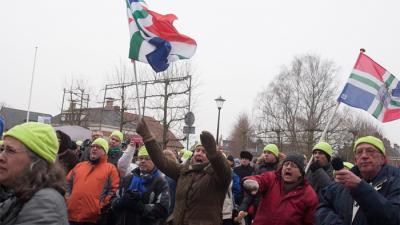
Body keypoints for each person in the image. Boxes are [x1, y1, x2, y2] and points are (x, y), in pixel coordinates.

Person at [136, 118, 231, 225]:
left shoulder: (217, 176)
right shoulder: (184, 171)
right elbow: (162, 161)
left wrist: (214, 153)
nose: (199, 153)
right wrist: (147, 137)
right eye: (197, 150)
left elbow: (224, 168)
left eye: (204, 152)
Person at [316, 136, 400, 225]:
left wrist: (360, 187)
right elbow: (322, 208)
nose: (364, 156)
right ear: (356, 160)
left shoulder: (395, 183)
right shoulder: (341, 183)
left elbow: (394, 218)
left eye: (370, 151)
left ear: (382, 159)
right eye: (359, 152)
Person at [0, 122, 68, 224]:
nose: (1, 157)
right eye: (2, 149)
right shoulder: (22, 194)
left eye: (10, 151)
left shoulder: (44, 203)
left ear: (35, 161)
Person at [241, 153, 318, 225]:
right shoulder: (272, 178)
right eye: (286, 164)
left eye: (293, 165)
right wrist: (251, 182)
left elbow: (310, 221)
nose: (288, 167)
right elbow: (260, 179)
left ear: (301, 172)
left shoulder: (309, 194)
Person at [66, 137, 120, 225]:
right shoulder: (80, 166)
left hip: (93, 218)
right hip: (72, 216)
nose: (94, 148)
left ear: (105, 152)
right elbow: (67, 183)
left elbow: (113, 190)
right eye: (93, 146)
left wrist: (100, 206)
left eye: (98, 147)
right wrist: (68, 200)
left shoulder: (110, 169)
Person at [111, 146, 169, 225]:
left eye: (147, 158)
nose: (143, 161)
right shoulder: (128, 178)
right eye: (141, 158)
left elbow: (163, 209)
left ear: (155, 161)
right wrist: (121, 201)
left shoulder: (160, 182)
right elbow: (113, 200)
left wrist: (141, 207)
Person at [238, 144, 281, 224]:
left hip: (275, 211)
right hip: (258, 209)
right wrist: (243, 208)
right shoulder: (258, 169)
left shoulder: (280, 171)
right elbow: (250, 191)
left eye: (269, 152)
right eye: (264, 152)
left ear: (275, 155)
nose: (266, 154)